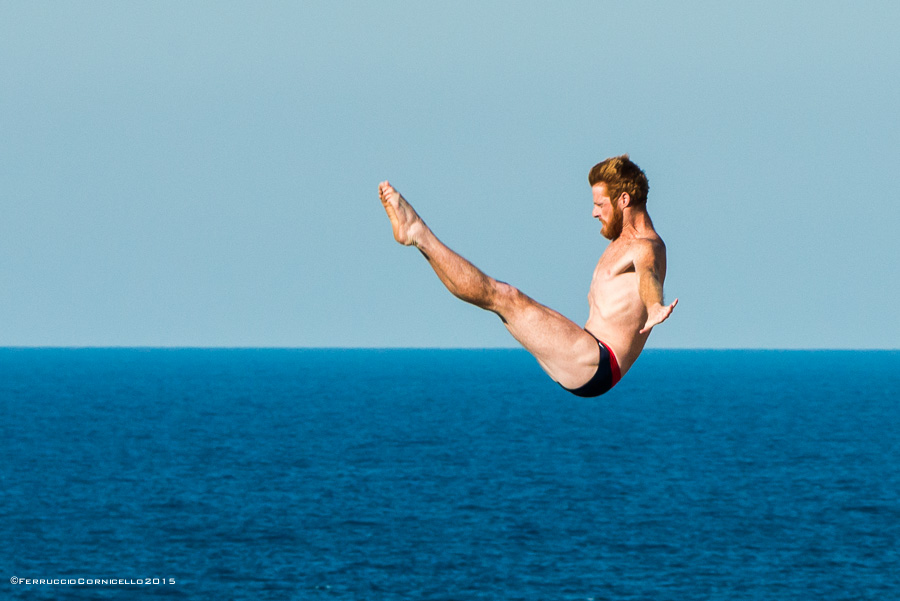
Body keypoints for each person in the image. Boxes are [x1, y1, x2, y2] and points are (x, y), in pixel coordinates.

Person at [378, 154, 677, 397]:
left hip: (597, 364)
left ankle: (417, 233)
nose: (594, 213)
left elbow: (648, 275)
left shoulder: (644, 246)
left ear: (623, 200)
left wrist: (654, 307)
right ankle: (418, 238)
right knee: (503, 304)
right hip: (586, 352)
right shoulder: (622, 243)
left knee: (504, 297)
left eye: (600, 205)